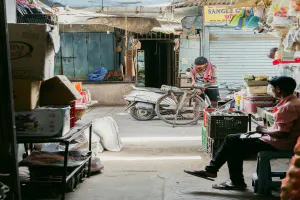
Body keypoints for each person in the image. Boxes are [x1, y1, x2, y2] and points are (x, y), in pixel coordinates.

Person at [184, 76, 300, 190]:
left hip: (281, 143)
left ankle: (218, 173)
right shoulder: (295, 102)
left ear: (278, 89)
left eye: (272, 88)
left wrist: (263, 130)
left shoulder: (288, 107)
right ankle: (218, 173)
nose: (271, 90)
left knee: (232, 142)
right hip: (286, 140)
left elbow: (282, 134)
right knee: (233, 141)